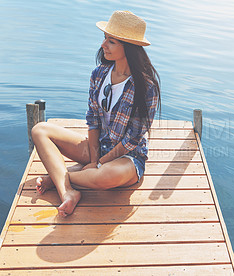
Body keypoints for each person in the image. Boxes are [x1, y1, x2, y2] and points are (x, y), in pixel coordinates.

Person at [32, 10, 160, 217]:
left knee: (105, 177)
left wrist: (100, 163)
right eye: (105, 39)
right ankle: (68, 192)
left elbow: (132, 139)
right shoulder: (99, 74)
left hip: (127, 157)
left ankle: (57, 178)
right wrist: (94, 157)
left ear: (128, 47)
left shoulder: (146, 87)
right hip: (98, 148)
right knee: (40, 130)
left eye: (111, 41)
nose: (103, 45)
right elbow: (93, 121)